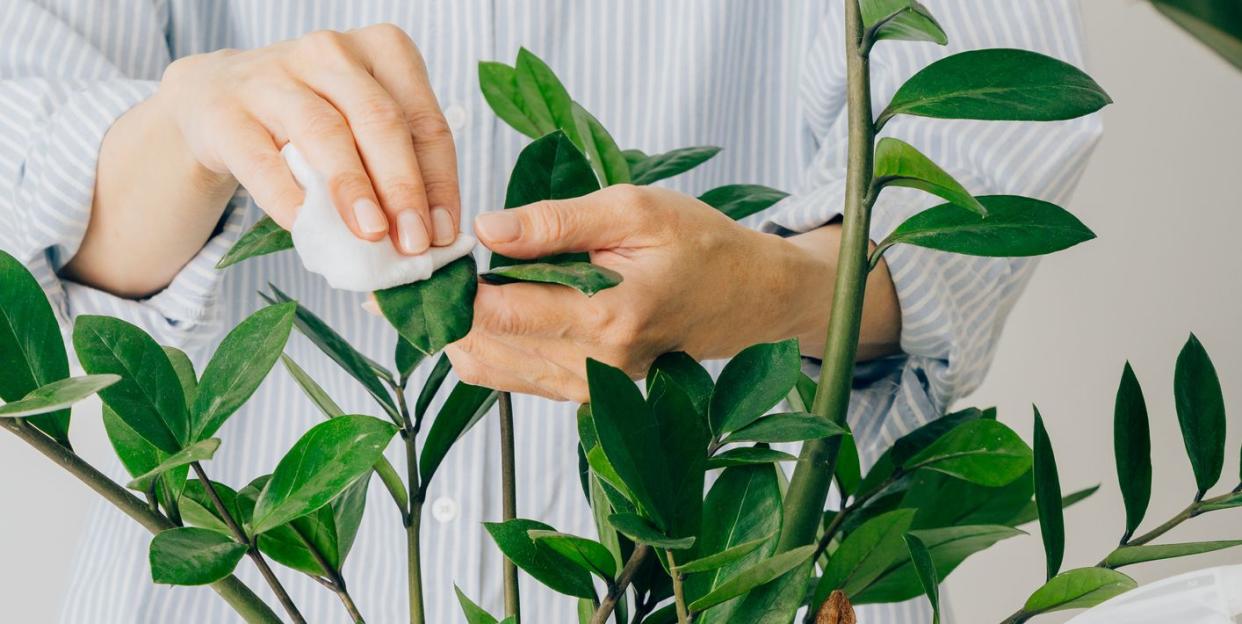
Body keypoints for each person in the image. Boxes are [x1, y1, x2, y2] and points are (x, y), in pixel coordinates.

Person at [0, 2, 1102, 622]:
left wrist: (765, 290)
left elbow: (988, 151)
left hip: (728, 578)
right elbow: (28, 170)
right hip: (256, 577)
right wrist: (188, 127)